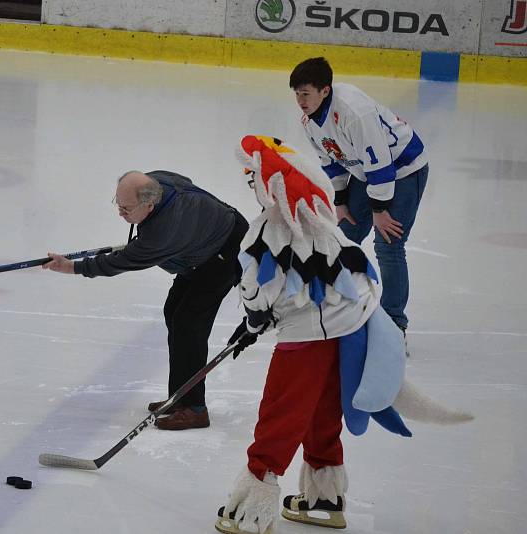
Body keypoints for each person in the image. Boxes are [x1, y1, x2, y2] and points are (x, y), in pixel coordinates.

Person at [214, 136, 470, 534]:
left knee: (281, 413)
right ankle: (323, 499)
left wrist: (252, 322)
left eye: (253, 176)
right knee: (321, 411)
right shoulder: (326, 224)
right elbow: (358, 276)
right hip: (351, 331)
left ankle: (252, 508)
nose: (251, 183)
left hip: (305, 341)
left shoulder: (266, 230)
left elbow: (256, 291)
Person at [43, 170, 248, 431]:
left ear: (150, 204)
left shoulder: (164, 232)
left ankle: (195, 408)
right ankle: (180, 396)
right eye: (118, 205)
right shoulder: (156, 181)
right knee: (174, 311)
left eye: (126, 208)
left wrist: (72, 267)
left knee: (188, 324)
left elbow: (122, 261)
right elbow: (184, 180)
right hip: (199, 242)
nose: (121, 213)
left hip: (224, 253)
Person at [289, 57, 429, 344]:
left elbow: (382, 165)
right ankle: (340, 310)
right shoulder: (310, 121)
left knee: (388, 244)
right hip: (368, 173)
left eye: (306, 93)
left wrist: (379, 209)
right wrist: (340, 201)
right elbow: (332, 162)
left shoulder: (354, 112)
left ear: (324, 91)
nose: (300, 100)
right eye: (297, 94)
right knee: (344, 235)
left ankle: (393, 327)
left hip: (403, 169)